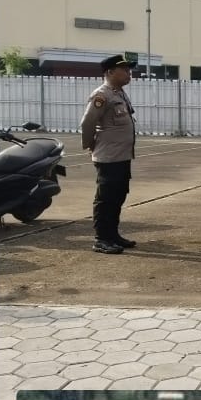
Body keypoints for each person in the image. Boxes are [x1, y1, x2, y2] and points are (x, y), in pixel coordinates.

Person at [80, 54, 138, 254]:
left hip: (122, 156)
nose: (129, 73)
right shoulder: (101, 95)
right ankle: (101, 239)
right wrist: (90, 145)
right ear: (110, 72)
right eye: (124, 70)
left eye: (129, 70)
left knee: (118, 196)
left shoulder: (119, 94)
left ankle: (113, 235)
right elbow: (87, 123)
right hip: (109, 157)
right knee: (105, 199)